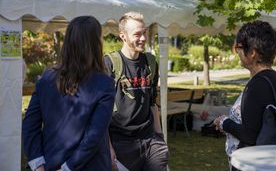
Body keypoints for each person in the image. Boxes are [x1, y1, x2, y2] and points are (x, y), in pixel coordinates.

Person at [22, 16, 115, 171]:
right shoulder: (104, 84)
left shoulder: (47, 77)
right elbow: (93, 137)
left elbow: (30, 125)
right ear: (96, 44)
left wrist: (38, 163)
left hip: (52, 163)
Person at [213, 20, 276, 170]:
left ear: (252, 53)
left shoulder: (258, 85)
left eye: (238, 48)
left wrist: (223, 122)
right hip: (270, 159)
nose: (237, 52)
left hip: (252, 163)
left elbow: (250, 135)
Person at [104, 11, 168, 171]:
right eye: (137, 34)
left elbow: (153, 103)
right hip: (121, 143)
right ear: (123, 36)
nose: (143, 38)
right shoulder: (109, 63)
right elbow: (101, 111)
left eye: (144, 32)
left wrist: (160, 137)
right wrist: (108, 147)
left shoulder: (150, 62)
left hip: (151, 141)